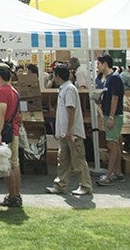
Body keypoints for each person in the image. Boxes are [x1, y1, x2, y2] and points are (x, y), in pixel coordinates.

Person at [46, 63, 92, 196]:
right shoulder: (64, 88)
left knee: (78, 159)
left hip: (71, 132)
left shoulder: (69, 89)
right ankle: (60, 185)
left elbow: (71, 109)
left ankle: (85, 186)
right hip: (65, 132)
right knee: (63, 160)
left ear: (57, 76)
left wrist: (69, 130)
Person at [0, 63, 22, 208]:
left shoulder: (2, 91)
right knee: (14, 164)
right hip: (14, 130)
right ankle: (16, 195)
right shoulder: (13, 90)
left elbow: (1, 114)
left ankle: (12, 196)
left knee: (6, 165)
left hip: (6, 132)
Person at [97, 54, 124, 186]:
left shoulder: (114, 78)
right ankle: (117, 172)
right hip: (111, 114)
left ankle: (109, 175)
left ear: (105, 64)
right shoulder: (108, 78)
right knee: (115, 144)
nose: (97, 66)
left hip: (114, 115)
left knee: (111, 145)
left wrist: (111, 117)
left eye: (99, 64)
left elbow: (115, 98)